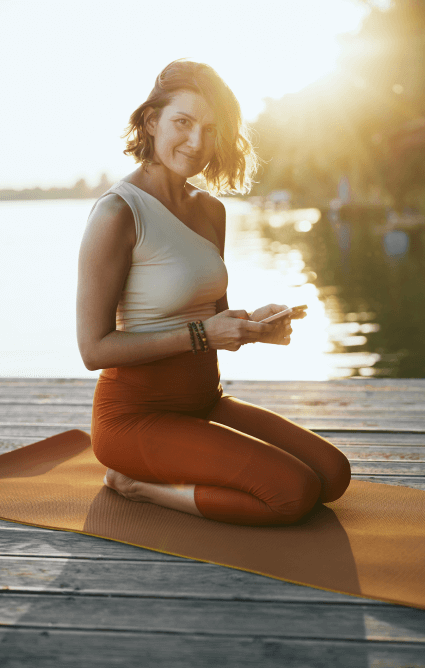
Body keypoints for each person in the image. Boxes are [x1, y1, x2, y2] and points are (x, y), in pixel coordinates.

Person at [76, 59, 351, 527]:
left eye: (210, 128)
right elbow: (93, 349)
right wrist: (204, 334)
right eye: (182, 122)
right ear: (151, 121)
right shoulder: (118, 212)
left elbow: (212, 315)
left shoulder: (211, 210)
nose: (196, 142)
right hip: (134, 418)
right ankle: (135, 484)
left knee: (333, 474)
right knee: (293, 493)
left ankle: (178, 464)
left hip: (205, 402)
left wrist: (255, 326)